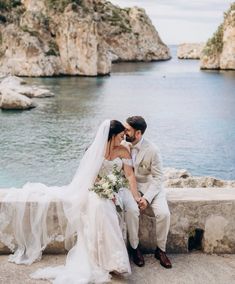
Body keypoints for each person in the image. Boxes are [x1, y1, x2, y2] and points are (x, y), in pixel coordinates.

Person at [0, 120, 141, 283]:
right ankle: (104, 259)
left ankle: (115, 260)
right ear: (111, 136)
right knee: (99, 206)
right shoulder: (94, 150)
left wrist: (134, 195)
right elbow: (91, 177)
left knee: (106, 209)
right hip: (96, 189)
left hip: (114, 189)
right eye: (120, 136)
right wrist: (104, 189)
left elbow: (129, 175)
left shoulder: (123, 150)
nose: (123, 139)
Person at [123, 115, 172, 269]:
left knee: (164, 214)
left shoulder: (153, 150)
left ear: (138, 133)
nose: (124, 132)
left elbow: (158, 178)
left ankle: (161, 250)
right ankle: (135, 248)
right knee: (131, 211)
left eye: (128, 130)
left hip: (151, 187)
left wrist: (147, 198)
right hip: (129, 188)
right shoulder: (122, 145)